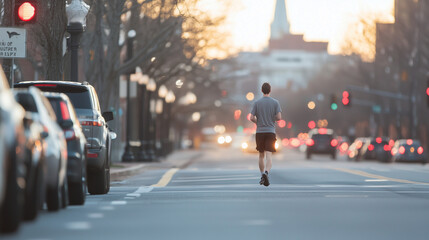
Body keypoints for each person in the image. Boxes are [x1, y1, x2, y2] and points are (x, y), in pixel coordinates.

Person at [249, 82, 282, 187]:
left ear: (261, 90)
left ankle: (262, 174)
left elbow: (251, 117)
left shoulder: (257, 103)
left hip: (260, 132)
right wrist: (272, 119)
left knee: (261, 155)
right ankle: (267, 172)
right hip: (270, 132)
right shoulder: (275, 102)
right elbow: (279, 117)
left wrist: (257, 122)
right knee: (269, 155)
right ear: (270, 90)